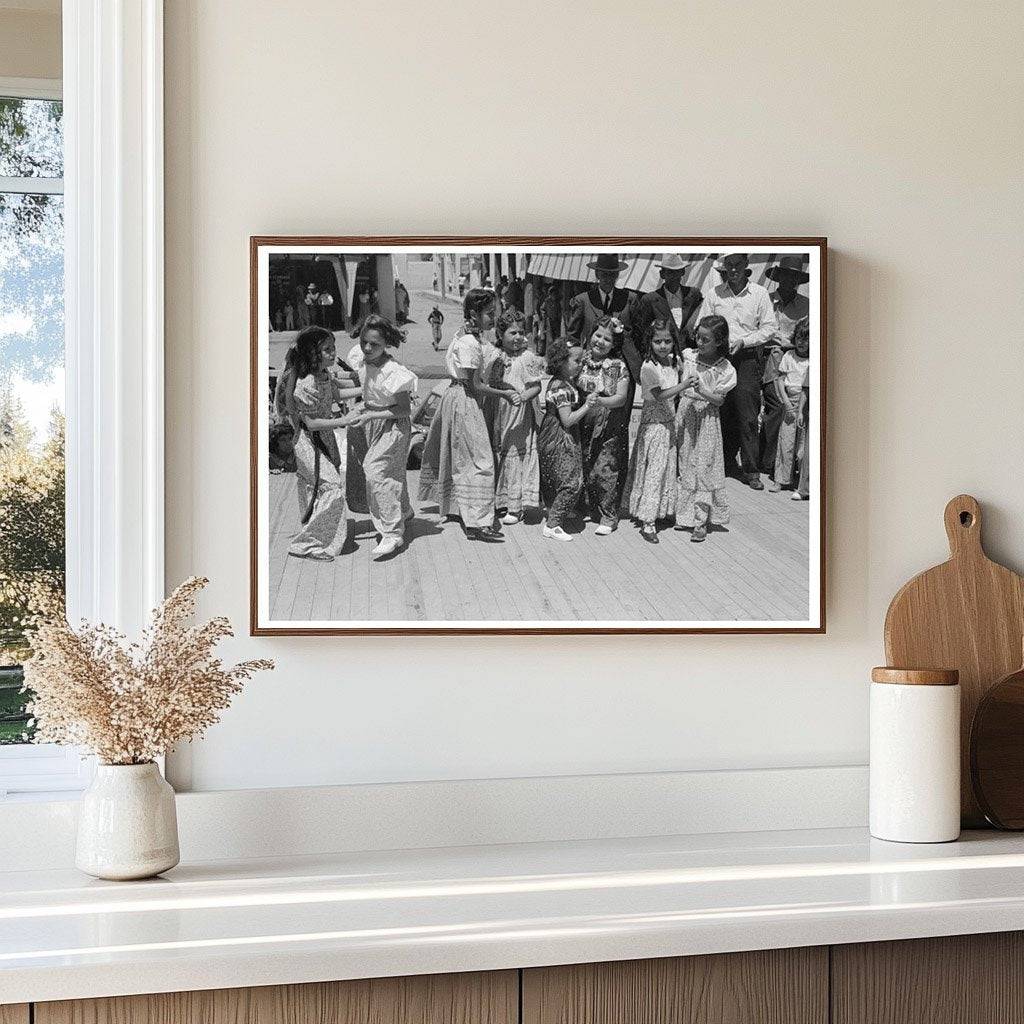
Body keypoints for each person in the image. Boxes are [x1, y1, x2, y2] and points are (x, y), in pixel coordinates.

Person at [417, 288, 516, 541]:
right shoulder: (469, 342)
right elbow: (476, 385)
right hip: (465, 399)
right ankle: (478, 522)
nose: (493, 318)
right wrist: (504, 393)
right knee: (480, 459)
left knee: (460, 456)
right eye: (489, 314)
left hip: (455, 396)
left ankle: (457, 508)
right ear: (474, 313)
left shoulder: (464, 334)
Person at [696, 253, 777, 489]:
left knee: (748, 414)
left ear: (746, 266)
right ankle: (723, 464)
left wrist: (745, 341)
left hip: (747, 359)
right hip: (718, 357)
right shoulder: (714, 294)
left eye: (737, 265)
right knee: (720, 410)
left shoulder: (759, 293)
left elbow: (770, 328)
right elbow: (702, 322)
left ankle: (751, 470)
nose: (733, 270)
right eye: (728, 265)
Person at [286, 326, 364, 561]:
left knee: (318, 489)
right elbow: (309, 423)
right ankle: (307, 544)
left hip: (323, 439)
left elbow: (336, 396)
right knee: (332, 487)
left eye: (333, 348)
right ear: (312, 353)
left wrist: (369, 391)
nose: (333, 353)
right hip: (309, 443)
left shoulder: (323, 374)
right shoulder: (305, 383)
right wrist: (344, 420)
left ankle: (320, 536)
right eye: (327, 349)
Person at [347, 314, 417, 559]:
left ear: (386, 344)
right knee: (393, 472)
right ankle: (404, 510)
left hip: (394, 426)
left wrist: (370, 415)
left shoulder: (394, 372)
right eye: (364, 342)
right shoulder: (363, 361)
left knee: (376, 471)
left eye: (374, 344)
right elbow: (367, 388)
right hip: (372, 422)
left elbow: (404, 409)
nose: (367, 348)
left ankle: (392, 533)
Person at [622, 319, 689, 543]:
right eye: (657, 341)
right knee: (654, 471)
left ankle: (663, 510)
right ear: (649, 342)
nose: (662, 346)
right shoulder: (648, 367)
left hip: (669, 424)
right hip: (654, 426)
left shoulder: (674, 361)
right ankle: (647, 521)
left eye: (667, 341)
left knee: (668, 469)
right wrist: (684, 385)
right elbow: (658, 395)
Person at [675, 315, 738, 543]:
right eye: (698, 338)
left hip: (707, 418)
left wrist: (701, 390)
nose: (700, 343)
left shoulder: (725, 368)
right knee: (685, 463)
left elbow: (720, 400)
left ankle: (701, 521)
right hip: (686, 413)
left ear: (719, 342)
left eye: (706, 340)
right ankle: (684, 516)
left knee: (704, 467)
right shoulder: (688, 356)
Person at [536, 337, 597, 542]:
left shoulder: (565, 382)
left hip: (557, 433)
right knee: (572, 480)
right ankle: (553, 524)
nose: (581, 365)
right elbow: (568, 420)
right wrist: (587, 405)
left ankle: (556, 511)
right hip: (559, 435)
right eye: (577, 361)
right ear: (562, 361)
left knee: (559, 476)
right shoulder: (561, 387)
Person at [575, 316, 631, 535]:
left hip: (607, 424)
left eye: (607, 339)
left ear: (614, 344)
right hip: (581, 420)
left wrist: (600, 401)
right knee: (583, 463)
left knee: (604, 468)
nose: (600, 341)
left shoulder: (616, 366)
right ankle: (585, 506)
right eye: (597, 335)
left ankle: (609, 515)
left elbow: (621, 398)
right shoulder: (581, 359)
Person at [759, 255, 811, 479]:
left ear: (798, 280)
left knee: (782, 409)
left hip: (791, 362)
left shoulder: (807, 305)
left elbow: (807, 334)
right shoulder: (766, 299)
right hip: (762, 357)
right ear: (779, 277)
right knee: (765, 412)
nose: (789, 281)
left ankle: (779, 464)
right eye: (786, 276)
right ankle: (765, 459)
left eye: (794, 277)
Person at [488, 309, 542, 525]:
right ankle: (502, 501)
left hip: (519, 414)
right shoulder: (497, 355)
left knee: (516, 456)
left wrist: (522, 397)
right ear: (501, 335)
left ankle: (516, 506)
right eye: (513, 333)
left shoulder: (527, 357)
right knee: (501, 454)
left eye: (521, 332)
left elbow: (536, 386)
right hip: (500, 410)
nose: (518, 337)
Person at [567, 254, 640, 384]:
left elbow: (639, 332)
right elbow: (573, 336)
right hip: (592, 364)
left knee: (623, 401)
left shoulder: (629, 299)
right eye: (604, 274)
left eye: (612, 275)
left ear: (617, 275)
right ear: (597, 274)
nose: (608, 279)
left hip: (625, 364)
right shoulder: (583, 300)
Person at [771, 316, 811, 493]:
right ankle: (781, 479)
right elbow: (780, 379)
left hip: (807, 402)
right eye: (799, 338)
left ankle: (802, 482)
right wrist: (786, 402)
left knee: (803, 446)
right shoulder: (789, 356)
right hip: (790, 401)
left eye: (806, 339)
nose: (802, 343)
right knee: (785, 442)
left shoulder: (812, 360)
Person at [634, 253, 702, 352]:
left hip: (690, 355)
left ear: (683, 272)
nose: (674, 276)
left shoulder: (693, 294)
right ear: (662, 274)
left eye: (677, 272)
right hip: (662, 355)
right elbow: (643, 333)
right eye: (670, 272)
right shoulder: (650, 300)